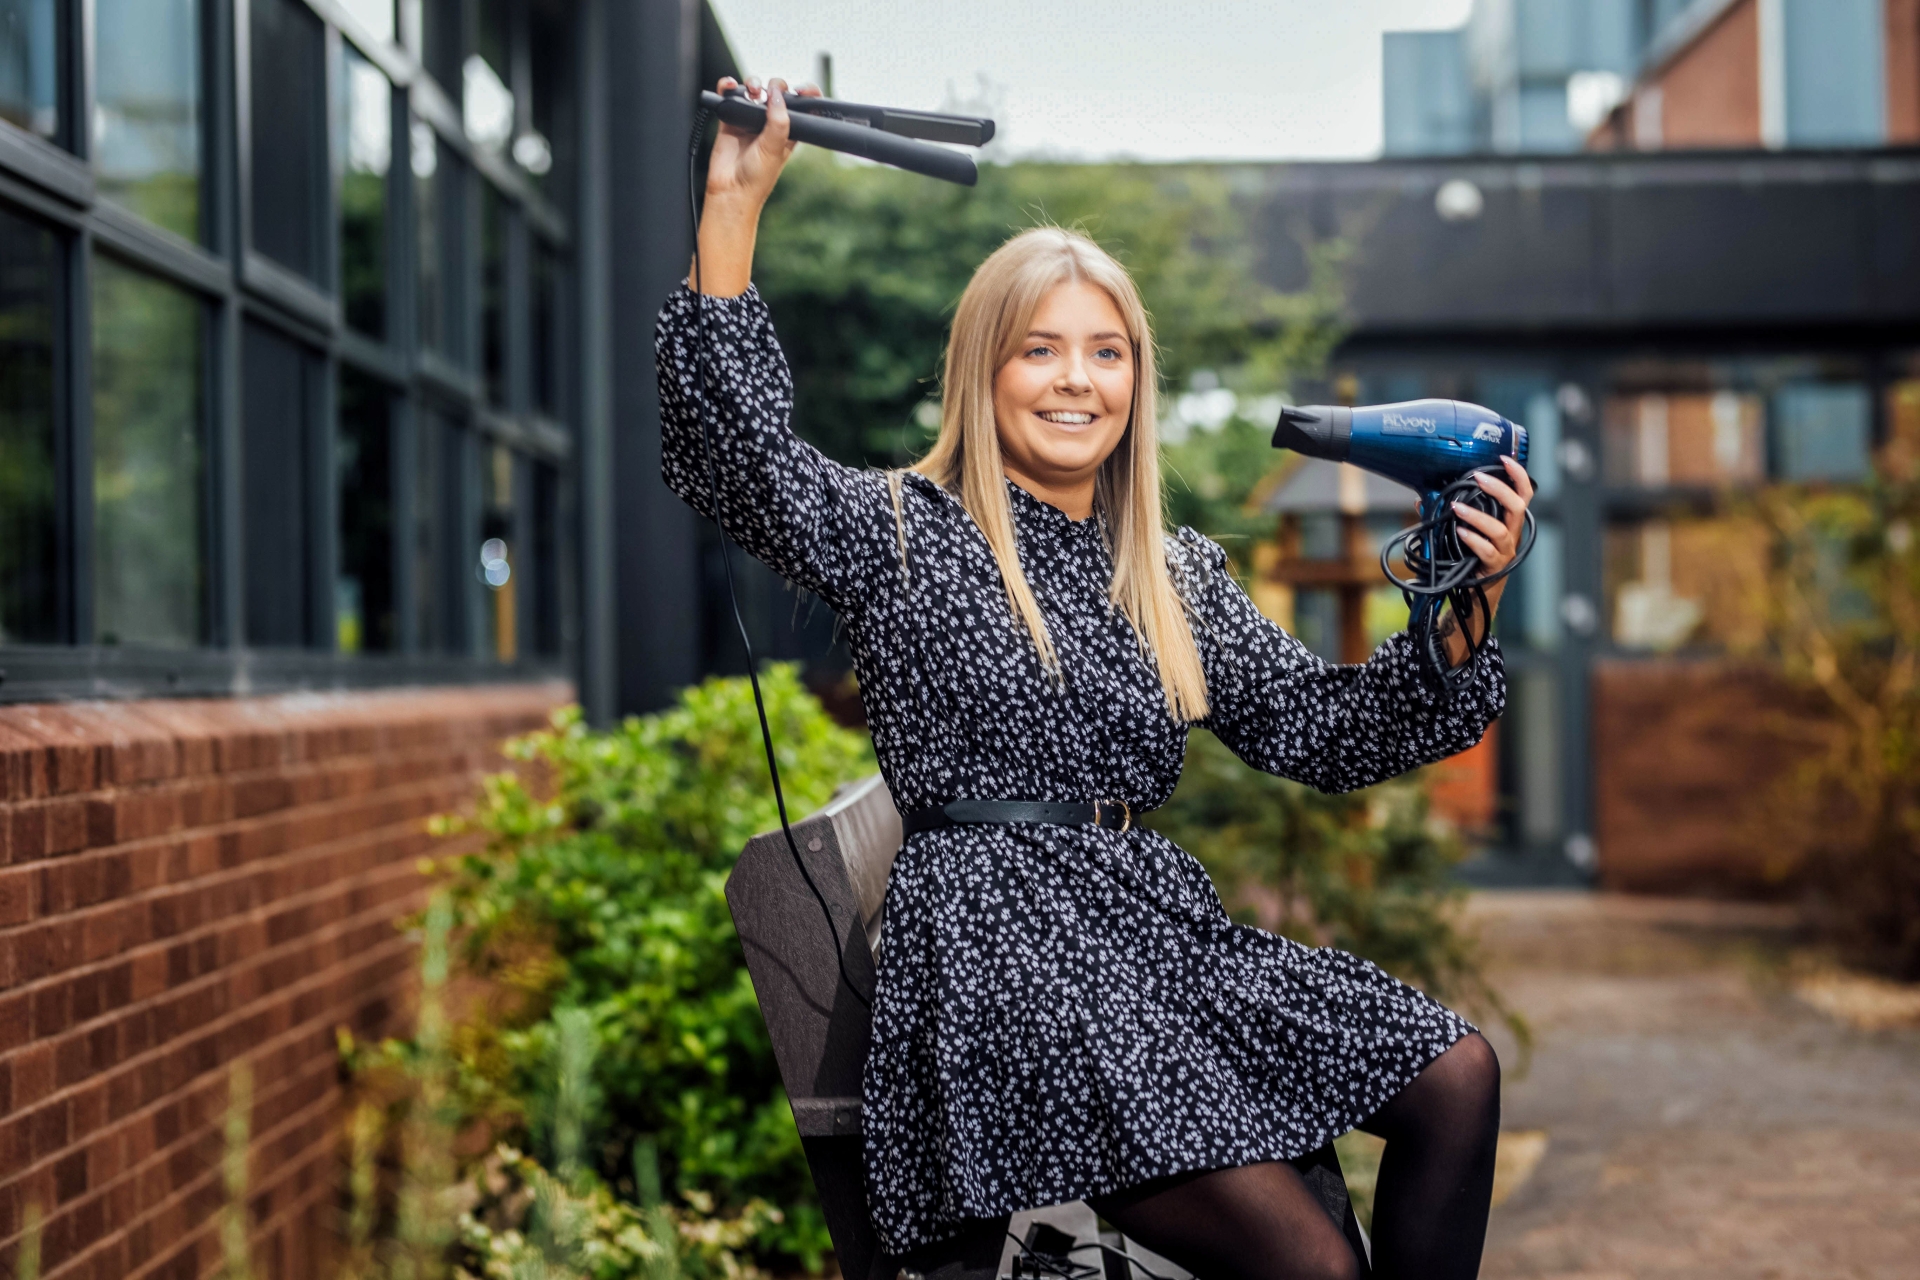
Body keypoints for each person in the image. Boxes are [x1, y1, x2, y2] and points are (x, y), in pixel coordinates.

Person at [658, 77, 1536, 1280]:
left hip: (1149, 941)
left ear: (1136, 383)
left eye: (1106, 353)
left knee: (1457, 1074)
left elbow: (1327, 733)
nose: (1077, 380)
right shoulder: (906, 531)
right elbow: (732, 459)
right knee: (1314, 1264)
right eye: (1042, 350)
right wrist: (734, 207)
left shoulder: (1169, 570)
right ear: (986, 369)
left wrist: (1459, 600)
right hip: (1003, 969)